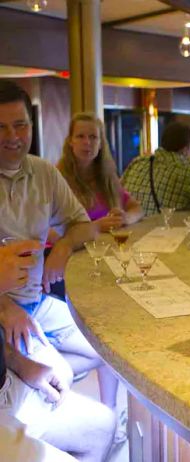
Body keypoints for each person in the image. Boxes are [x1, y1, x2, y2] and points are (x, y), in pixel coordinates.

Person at [0, 81, 116, 460]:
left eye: (20, 125)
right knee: (62, 384)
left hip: (37, 300)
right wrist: (4, 306)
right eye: (1, 128)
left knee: (105, 346)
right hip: (8, 313)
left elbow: (85, 225)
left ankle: (45, 376)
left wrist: (62, 247)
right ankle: (38, 385)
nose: (13, 137)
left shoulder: (42, 172)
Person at [56, 112, 144, 232]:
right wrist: (96, 226)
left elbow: (137, 208)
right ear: (71, 141)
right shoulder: (58, 178)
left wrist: (125, 218)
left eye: (93, 137)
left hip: (109, 246)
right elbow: (53, 229)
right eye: (80, 136)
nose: (87, 142)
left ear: (100, 143)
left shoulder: (107, 176)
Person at [122, 121, 190, 216]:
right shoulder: (186, 168)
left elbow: (118, 193)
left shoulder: (137, 161)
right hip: (163, 228)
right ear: (185, 150)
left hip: (130, 226)